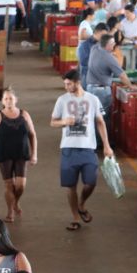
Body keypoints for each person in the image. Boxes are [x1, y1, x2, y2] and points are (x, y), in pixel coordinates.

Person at [50, 70, 113, 232]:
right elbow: (53, 122)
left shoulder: (93, 99)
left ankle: (81, 204)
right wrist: (64, 121)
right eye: (65, 84)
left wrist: (106, 145)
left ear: (78, 82)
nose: (66, 87)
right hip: (68, 148)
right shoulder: (62, 100)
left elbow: (100, 122)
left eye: (69, 84)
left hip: (88, 147)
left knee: (91, 181)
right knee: (70, 186)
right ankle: (75, 217)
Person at [0, 87, 38, 223]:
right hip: (4, 152)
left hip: (21, 152)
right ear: (2, 101)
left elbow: (32, 135)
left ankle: (15, 202)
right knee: (9, 185)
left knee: (20, 185)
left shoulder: (24, 115)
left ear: (16, 100)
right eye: (6, 98)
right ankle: (10, 210)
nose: (8, 101)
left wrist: (34, 154)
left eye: (11, 98)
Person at [87, 33, 131, 121]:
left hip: (90, 88)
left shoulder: (94, 48)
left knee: (92, 115)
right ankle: (102, 135)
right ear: (108, 45)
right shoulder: (109, 58)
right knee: (103, 118)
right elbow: (122, 76)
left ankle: (93, 134)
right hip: (101, 92)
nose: (114, 44)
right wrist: (131, 86)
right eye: (113, 43)